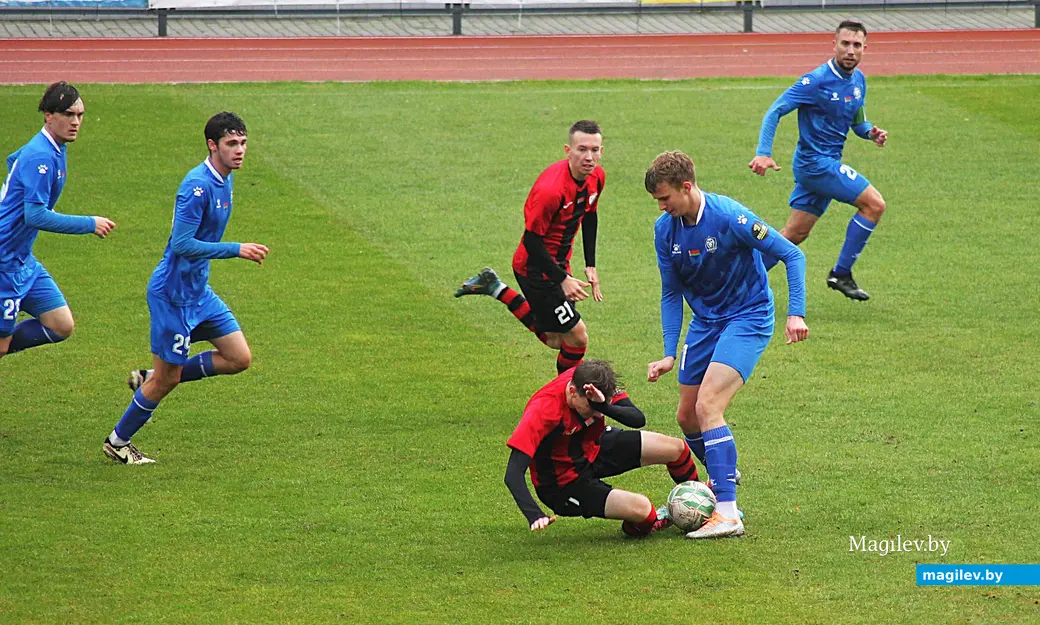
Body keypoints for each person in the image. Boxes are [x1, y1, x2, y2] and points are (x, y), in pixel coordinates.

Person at [644, 151, 809, 539]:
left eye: (666, 198)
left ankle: (728, 512)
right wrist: (670, 351)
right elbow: (671, 292)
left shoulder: (729, 217)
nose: (662, 206)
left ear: (687, 187)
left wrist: (795, 313)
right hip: (706, 322)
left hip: (747, 316)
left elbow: (791, 253)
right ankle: (723, 478)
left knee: (708, 406)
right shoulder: (664, 229)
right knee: (687, 417)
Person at [103, 112, 269, 465]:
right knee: (167, 382)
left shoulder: (225, 179)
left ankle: (153, 375)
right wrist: (234, 249)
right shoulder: (197, 187)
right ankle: (118, 441)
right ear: (213, 146)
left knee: (239, 358)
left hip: (199, 293)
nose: (240, 150)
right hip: (173, 297)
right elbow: (181, 244)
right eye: (231, 144)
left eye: (243, 143)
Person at [749, 20, 888, 301]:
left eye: (856, 45)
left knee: (794, 234)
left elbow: (858, 121)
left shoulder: (858, 80)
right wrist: (764, 152)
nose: (850, 50)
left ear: (864, 48)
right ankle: (841, 273)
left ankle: (738, 284)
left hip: (823, 165)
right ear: (834, 44)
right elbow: (775, 111)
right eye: (845, 44)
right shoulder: (815, 81)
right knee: (874, 205)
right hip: (816, 164)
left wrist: (871, 132)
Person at [456, 120, 605, 374]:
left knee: (557, 340)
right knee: (578, 337)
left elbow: (590, 214)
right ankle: (565, 398)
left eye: (595, 150)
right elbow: (532, 242)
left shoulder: (596, 177)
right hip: (535, 268)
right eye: (582, 149)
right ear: (568, 151)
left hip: (559, 265)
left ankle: (495, 287)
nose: (589, 157)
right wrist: (562, 279)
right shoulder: (550, 190)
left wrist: (590, 264)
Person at [505, 360, 701, 536]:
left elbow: (637, 419)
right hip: (564, 482)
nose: (596, 413)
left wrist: (603, 406)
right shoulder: (542, 411)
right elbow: (513, 474)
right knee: (644, 511)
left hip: (595, 446)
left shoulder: (596, 385)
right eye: (591, 408)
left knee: (676, 449)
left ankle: (702, 504)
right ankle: (652, 522)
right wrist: (535, 514)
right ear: (573, 392)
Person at [0, 82, 116, 361]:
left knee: (60, 324)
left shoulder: (52, 149)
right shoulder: (41, 155)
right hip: (4, 262)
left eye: (80, 115)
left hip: (21, 259)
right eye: (68, 114)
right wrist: (90, 223)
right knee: (1, 346)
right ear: (48, 116)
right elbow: (36, 215)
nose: (76, 122)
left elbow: (12, 159)